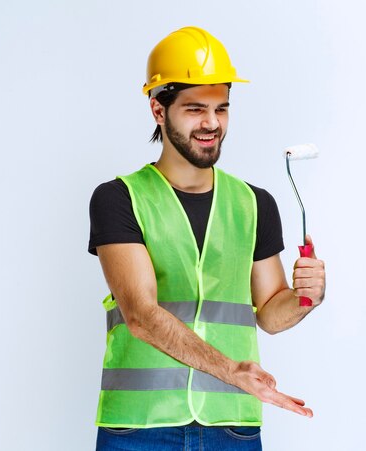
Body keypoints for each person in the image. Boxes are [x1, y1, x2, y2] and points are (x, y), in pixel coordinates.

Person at [88, 26, 326, 450]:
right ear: (158, 110)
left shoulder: (255, 203)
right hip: (140, 429)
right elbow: (140, 315)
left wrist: (305, 298)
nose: (212, 123)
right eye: (195, 109)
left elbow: (271, 313)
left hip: (231, 428)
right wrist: (231, 370)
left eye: (222, 108)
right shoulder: (119, 199)